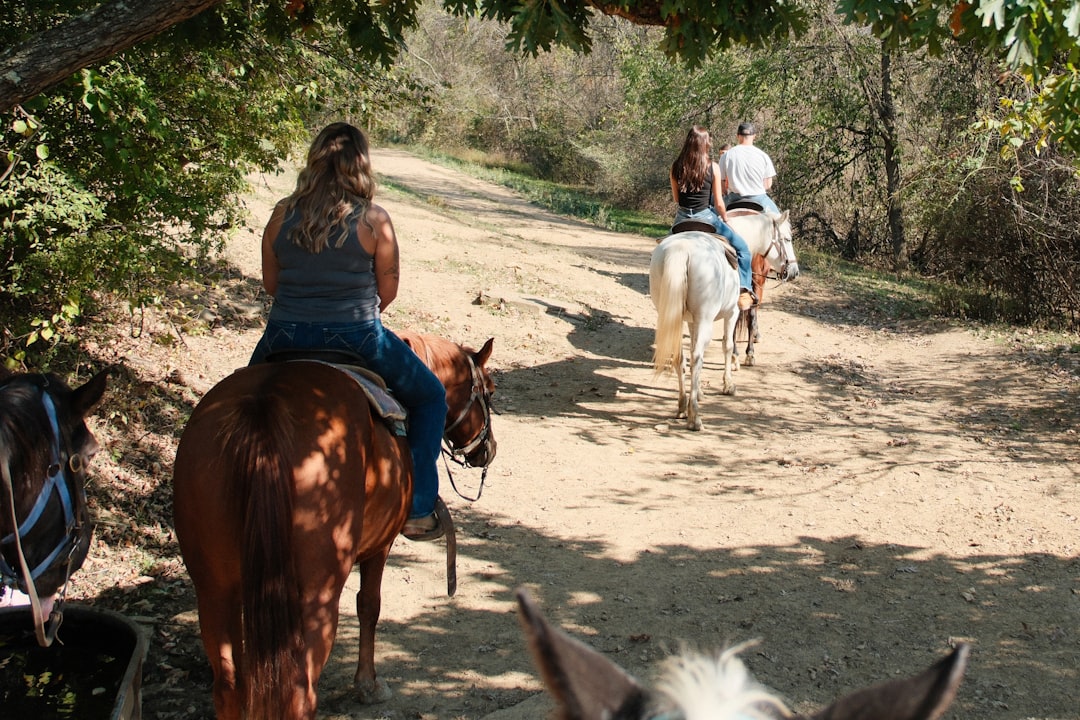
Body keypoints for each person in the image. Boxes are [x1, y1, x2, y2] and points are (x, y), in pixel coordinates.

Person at [249, 122, 449, 541]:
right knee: (431, 397)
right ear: (361, 165)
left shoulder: (281, 214)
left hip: (284, 334)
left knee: (243, 403)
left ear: (314, 161)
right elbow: (387, 292)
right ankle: (417, 508)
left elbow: (271, 284)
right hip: (357, 335)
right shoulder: (374, 221)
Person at [670, 125, 756, 310]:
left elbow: (677, 199)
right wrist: (726, 219)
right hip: (706, 218)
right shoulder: (713, 167)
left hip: (682, 218)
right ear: (705, 144)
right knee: (743, 249)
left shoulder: (675, 167)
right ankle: (744, 290)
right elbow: (718, 203)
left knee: (661, 250)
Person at [719, 121, 780, 214]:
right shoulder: (763, 156)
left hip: (733, 199)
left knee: (713, 218)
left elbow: (722, 185)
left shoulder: (726, 156)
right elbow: (768, 185)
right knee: (780, 219)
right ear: (754, 136)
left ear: (737, 136)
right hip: (759, 198)